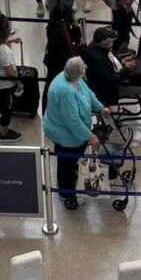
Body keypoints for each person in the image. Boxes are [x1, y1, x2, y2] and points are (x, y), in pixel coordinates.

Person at [43, 56, 108, 210]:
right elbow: (72, 121)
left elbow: (88, 93)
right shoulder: (65, 90)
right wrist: (90, 136)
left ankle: (71, 179)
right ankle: (66, 192)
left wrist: (100, 107)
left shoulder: (73, 78)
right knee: (66, 161)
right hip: (64, 134)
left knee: (71, 161)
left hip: (72, 132)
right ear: (77, 73)